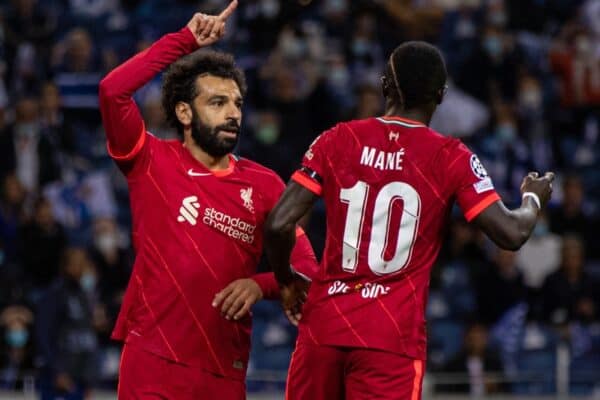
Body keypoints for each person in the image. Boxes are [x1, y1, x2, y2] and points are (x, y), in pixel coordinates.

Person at [265, 41, 554, 399]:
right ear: (442, 96)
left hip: (323, 327)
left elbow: (278, 223)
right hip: (389, 336)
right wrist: (532, 198)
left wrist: (287, 283)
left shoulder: (339, 138)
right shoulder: (451, 157)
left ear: (385, 86)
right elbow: (512, 232)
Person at [98, 2, 318, 399]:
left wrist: (259, 284)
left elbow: (307, 269)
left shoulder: (264, 184)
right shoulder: (151, 161)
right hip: (152, 360)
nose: (232, 113)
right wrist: (184, 42)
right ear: (184, 112)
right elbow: (113, 91)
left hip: (223, 370)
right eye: (217, 103)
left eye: (236, 103)